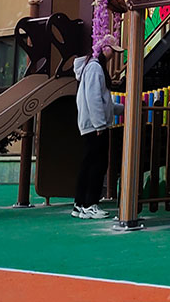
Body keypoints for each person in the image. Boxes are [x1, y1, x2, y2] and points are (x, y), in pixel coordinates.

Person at [72, 42, 123, 220]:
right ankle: (90, 204)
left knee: (88, 164)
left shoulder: (91, 67)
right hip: (95, 126)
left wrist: (121, 109)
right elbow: (94, 98)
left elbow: (102, 101)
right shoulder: (95, 68)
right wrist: (100, 124)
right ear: (104, 49)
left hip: (91, 125)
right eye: (112, 51)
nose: (113, 55)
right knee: (97, 165)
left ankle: (80, 204)